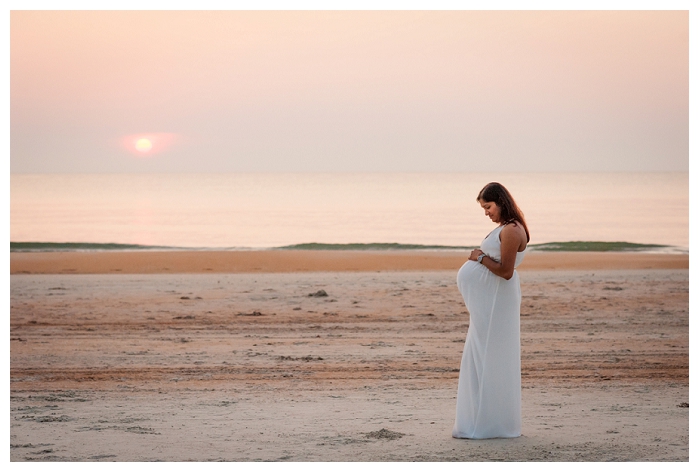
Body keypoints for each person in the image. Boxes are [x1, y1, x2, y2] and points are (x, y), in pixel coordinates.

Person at [452, 182, 530, 439]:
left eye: (488, 206)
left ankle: (490, 424)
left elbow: (506, 272)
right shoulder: (504, 228)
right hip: (489, 302)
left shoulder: (512, 230)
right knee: (480, 356)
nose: (486, 212)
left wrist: (479, 258)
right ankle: (479, 420)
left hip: (497, 301)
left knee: (490, 357)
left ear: (500, 201)